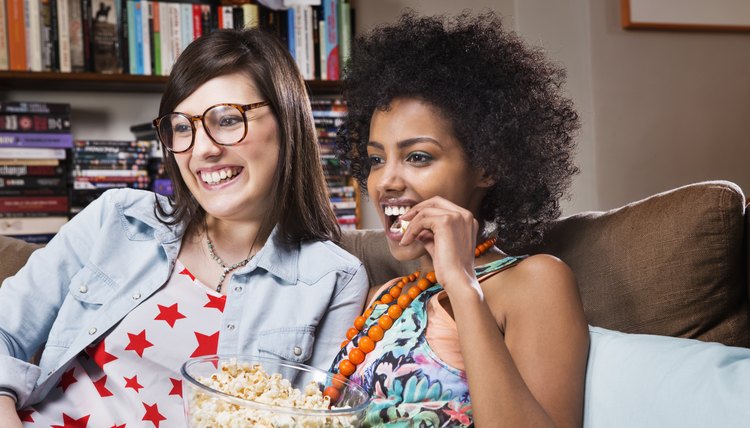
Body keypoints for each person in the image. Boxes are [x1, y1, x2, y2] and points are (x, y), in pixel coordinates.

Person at [0, 28, 368, 426]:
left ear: (288, 122)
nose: (202, 148)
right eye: (182, 127)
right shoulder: (119, 217)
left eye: (227, 120)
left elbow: (317, 416)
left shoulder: (334, 279)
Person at [329, 11, 589, 427]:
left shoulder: (536, 281)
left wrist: (462, 284)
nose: (386, 182)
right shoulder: (383, 297)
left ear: (487, 166)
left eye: (418, 157)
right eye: (377, 160)